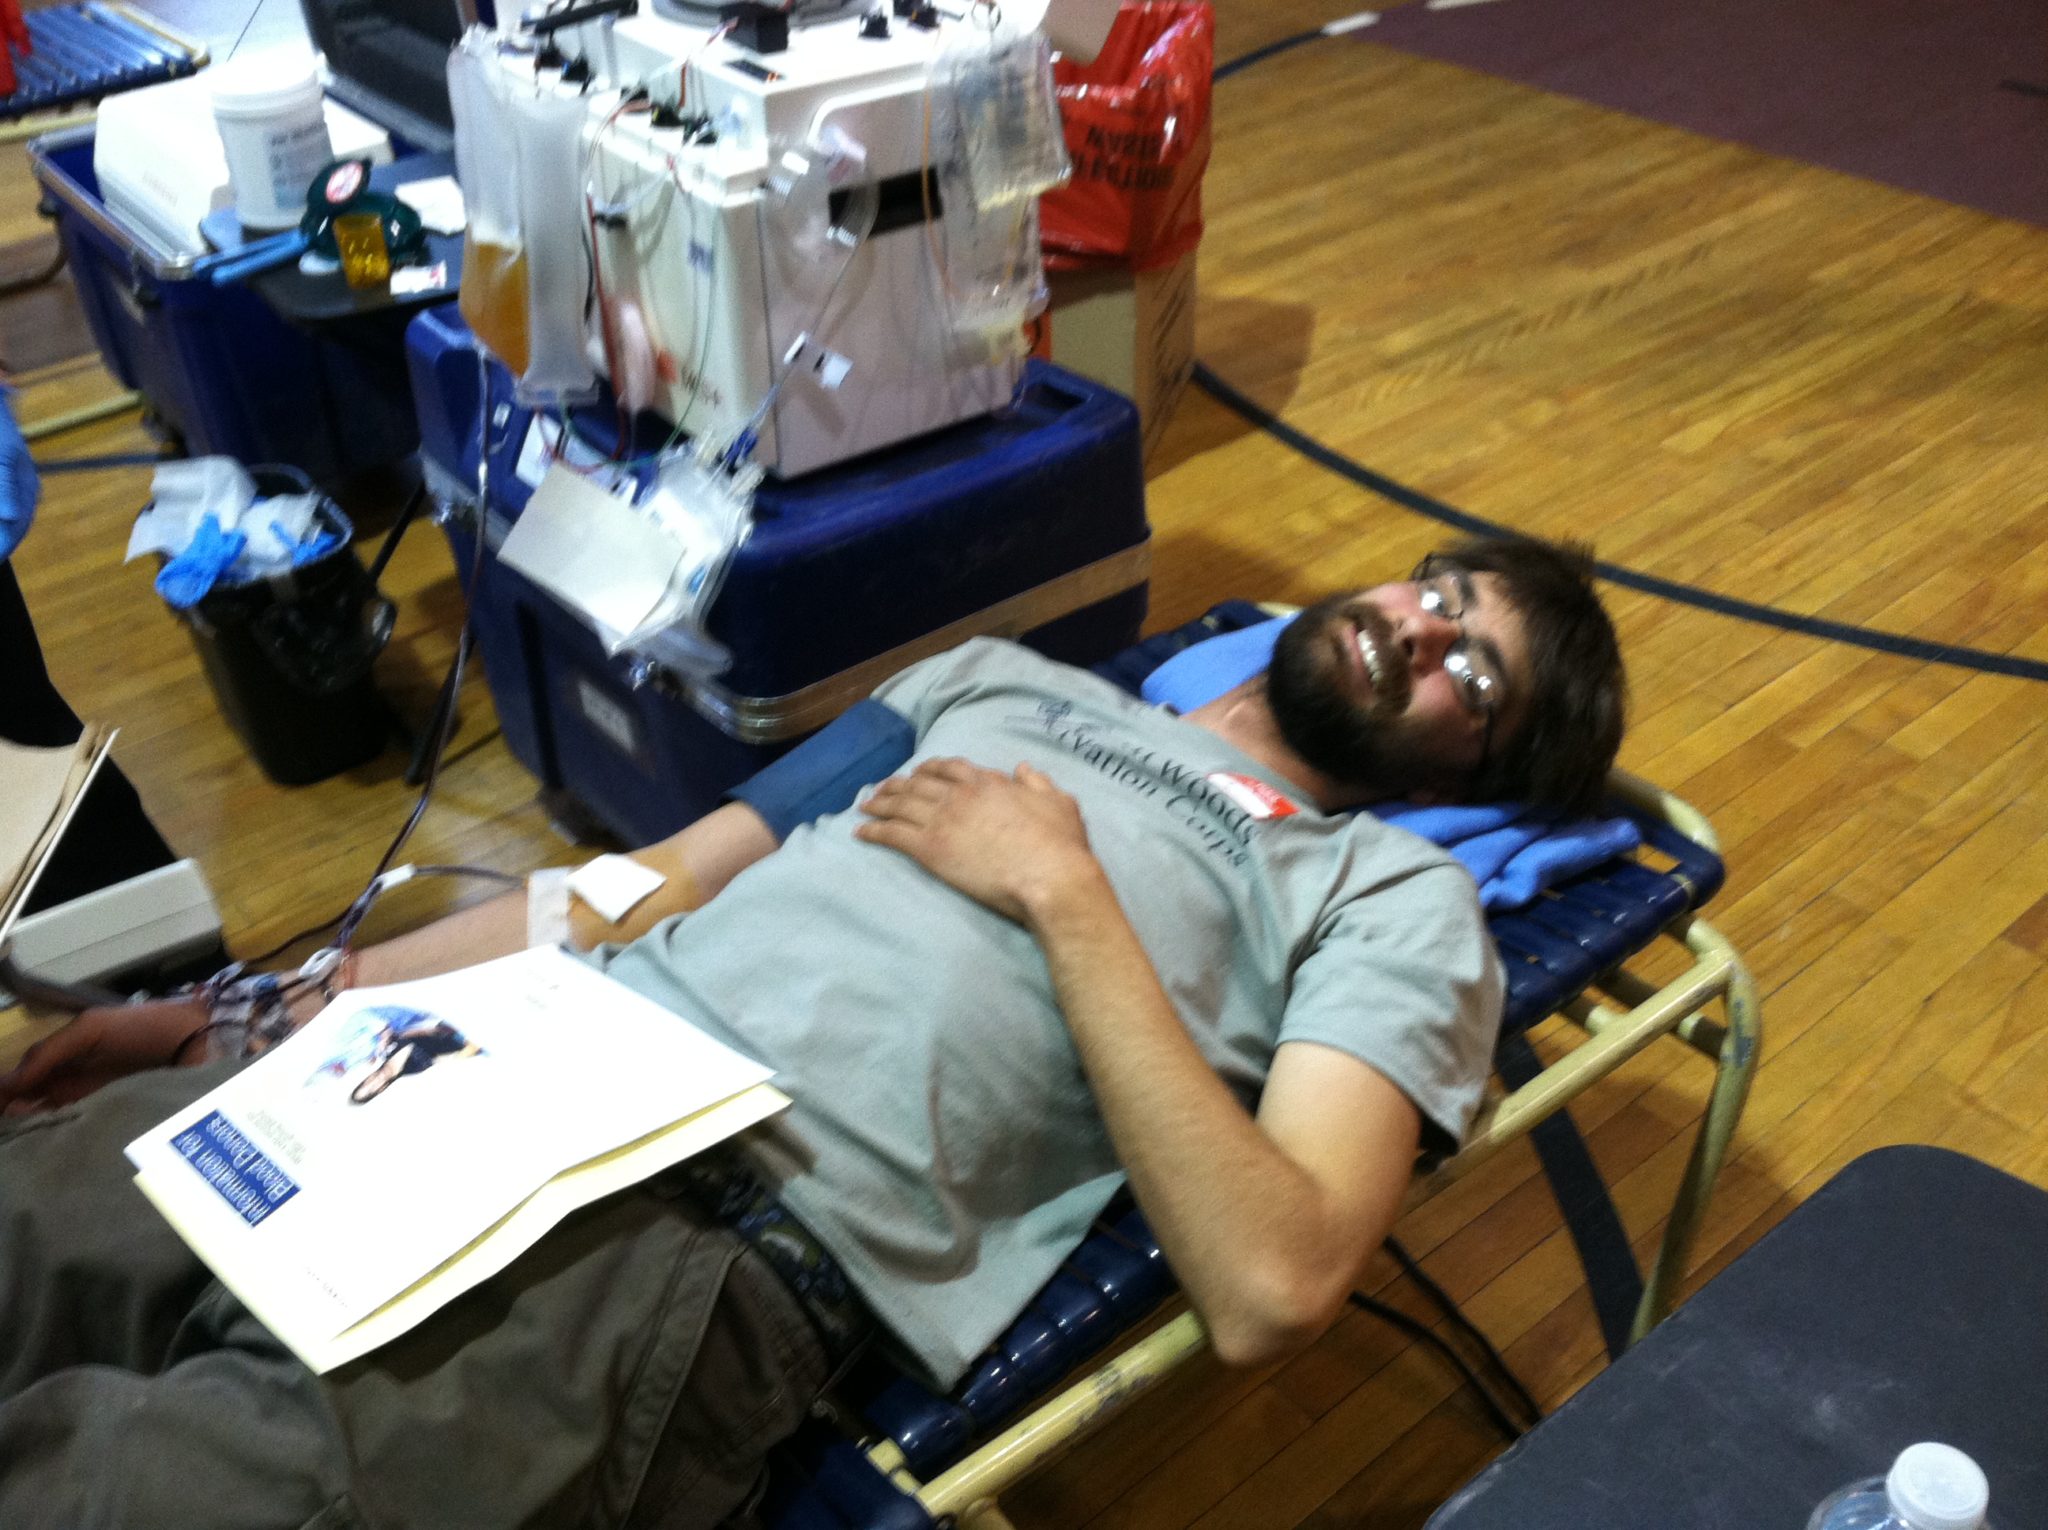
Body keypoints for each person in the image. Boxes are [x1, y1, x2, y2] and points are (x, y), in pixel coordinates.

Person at [0, 535, 1626, 1529]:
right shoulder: (995, 680)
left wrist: (1065, 891)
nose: (1421, 628)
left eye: (1472, 673)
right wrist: (240, 1013)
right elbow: (640, 885)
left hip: (700, 1235)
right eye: (1439, 589)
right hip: (477, 1065)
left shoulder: (1388, 894)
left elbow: (1274, 1281)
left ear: (1472, 774)